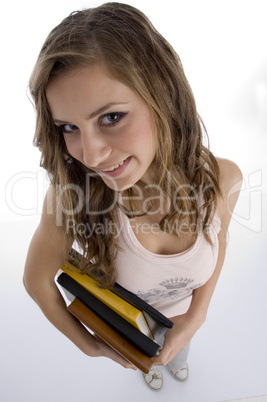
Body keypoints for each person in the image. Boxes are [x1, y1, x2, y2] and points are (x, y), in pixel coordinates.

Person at [23, 2, 242, 391]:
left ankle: (173, 362)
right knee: (148, 361)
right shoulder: (72, 197)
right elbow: (37, 280)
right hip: (126, 328)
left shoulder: (223, 178)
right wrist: (89, 346)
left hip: (181, 321)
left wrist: (196, 318)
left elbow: (219, 237)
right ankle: (152, 369)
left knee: (179, 352)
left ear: (163, 95)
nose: (90, 156)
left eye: (111, 117)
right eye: (69, 127)